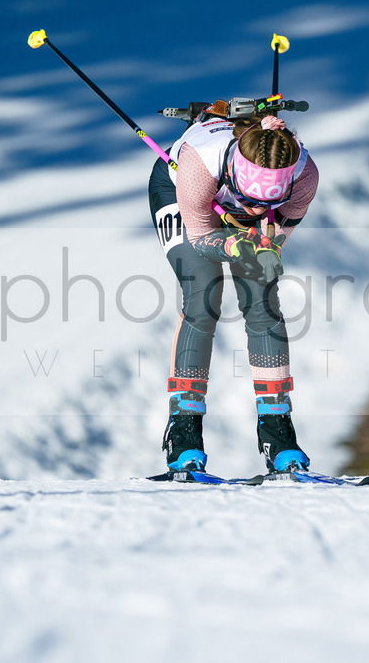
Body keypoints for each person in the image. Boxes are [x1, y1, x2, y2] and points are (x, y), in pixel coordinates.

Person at [148, 108, 320, 475]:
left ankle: (278, 431)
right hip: (181, 194)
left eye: (268, 202)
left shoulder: (305, 177)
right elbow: (201, 239)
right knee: (203, 294)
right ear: (234, 173)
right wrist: (232, 246)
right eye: (249, 197)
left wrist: (267, 247)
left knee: (262, 300)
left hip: (232, 206)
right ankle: (184, 431)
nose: (256, 208)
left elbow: (275, 235)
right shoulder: (200, 166)